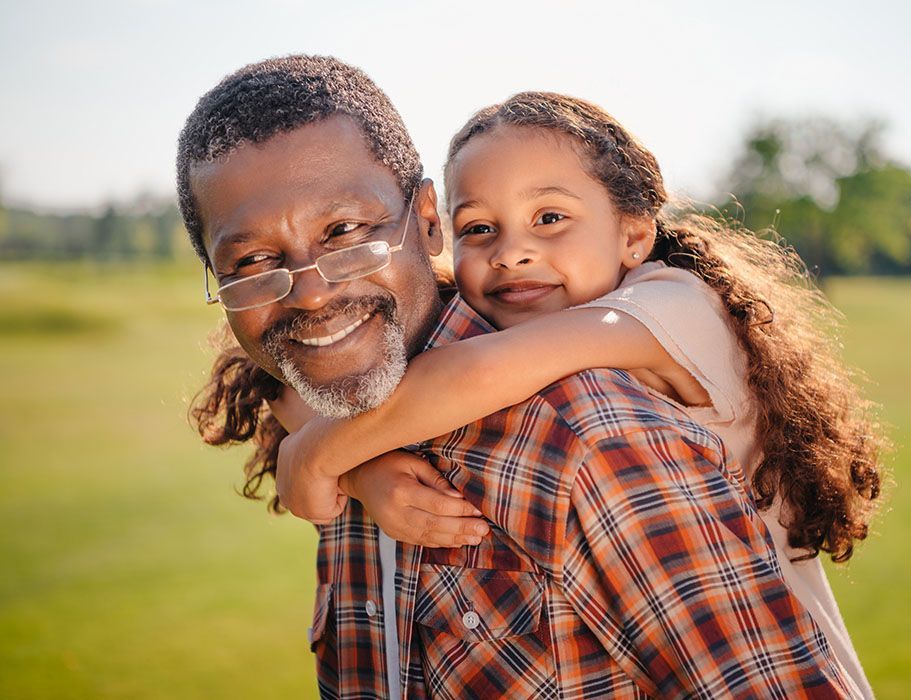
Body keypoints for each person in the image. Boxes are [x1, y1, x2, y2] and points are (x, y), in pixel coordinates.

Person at [182, 55, 855, 698]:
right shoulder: (372, 373)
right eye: (480, 227)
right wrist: (360, 470)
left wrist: (326, 452)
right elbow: (283, 383)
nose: (513, 253)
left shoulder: (622, 386)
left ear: (632, 234)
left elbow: (478, 372)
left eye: (345, 230)